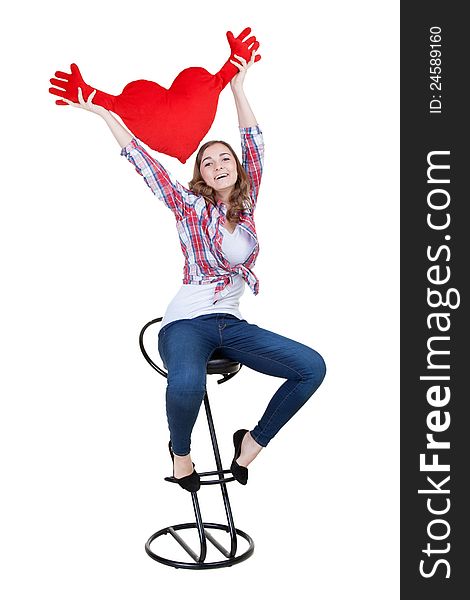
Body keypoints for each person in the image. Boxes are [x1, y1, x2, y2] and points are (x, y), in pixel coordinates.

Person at [58, 51, 326, 492]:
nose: (218, 165)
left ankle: (252, 445)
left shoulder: (247, 206)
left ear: (235, 169)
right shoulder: (189, 207)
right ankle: (180, 455)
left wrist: (238, 87)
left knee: (311, 368)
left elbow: (254, 143)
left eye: (225, 160)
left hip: (232, 325)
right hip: (186, 323)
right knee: (188, 385)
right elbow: (145, 163)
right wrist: (105, 112)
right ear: (200, 173)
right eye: (208, 162)